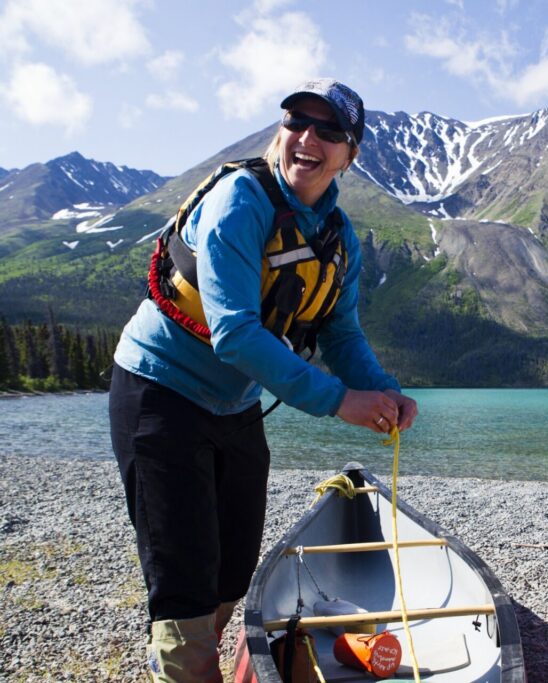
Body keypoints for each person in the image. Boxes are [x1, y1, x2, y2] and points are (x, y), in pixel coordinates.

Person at [108, 78, 418, 682]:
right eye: (296, 121)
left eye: (329, 131)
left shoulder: (338, 237)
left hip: (234, 403)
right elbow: (236, 334)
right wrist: (340, 401)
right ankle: (182, 662)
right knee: (186, 580)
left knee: (233, 570)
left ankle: (196, 656)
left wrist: (383, 391)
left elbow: (340, 334)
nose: (307, 139)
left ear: (349, 154)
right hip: (159, 392)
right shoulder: (240, 202)